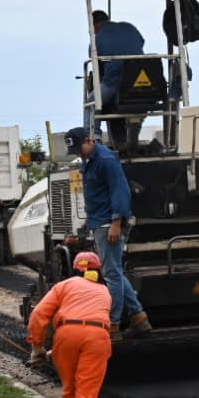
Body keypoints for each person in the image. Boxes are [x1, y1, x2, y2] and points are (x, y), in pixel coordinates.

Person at [64, 126, 151, 340]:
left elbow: (120, 190)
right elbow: (98, 194)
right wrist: (89, 220)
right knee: (115, 272)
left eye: (79, 149)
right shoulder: (91, 160)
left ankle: (112, 324)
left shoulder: (105, 160)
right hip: (100, 221)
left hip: (108, 224)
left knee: (112, 275)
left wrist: (116, 222)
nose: (78, 154)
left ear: (89, 141)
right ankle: (138, 317)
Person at [26, 251, 111, 398]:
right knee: (86, 396)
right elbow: (88, 324)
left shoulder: (64, 285)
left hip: (65, 335)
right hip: (97, 336)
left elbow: (38, 315)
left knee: (72, 394)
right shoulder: (105, 291)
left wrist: (37, 346)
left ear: (74, 269)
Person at [91, 9, 145, 151]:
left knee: (92, 101)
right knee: (138, 104)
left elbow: (98, 68)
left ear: (95, 25)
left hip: (115, 83)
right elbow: (141, 43)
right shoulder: (129, 27)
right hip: (142, 83)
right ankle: (132, 139)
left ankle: (94, 138)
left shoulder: (96, 41)